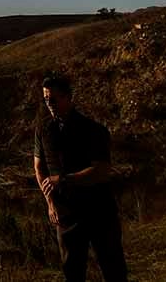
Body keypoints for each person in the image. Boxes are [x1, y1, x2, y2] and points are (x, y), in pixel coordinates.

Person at [34, 74, 128, 282]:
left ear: (68, 97)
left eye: (53, 98)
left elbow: (101, 171)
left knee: (113, 269)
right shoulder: (43, 130)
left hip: (99, 210)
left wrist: (64, 180)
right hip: (66, 214)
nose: (48, 104)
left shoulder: (93, 130)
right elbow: (39, 169)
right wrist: (50, 202)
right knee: (73, 272)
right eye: (46, 99)